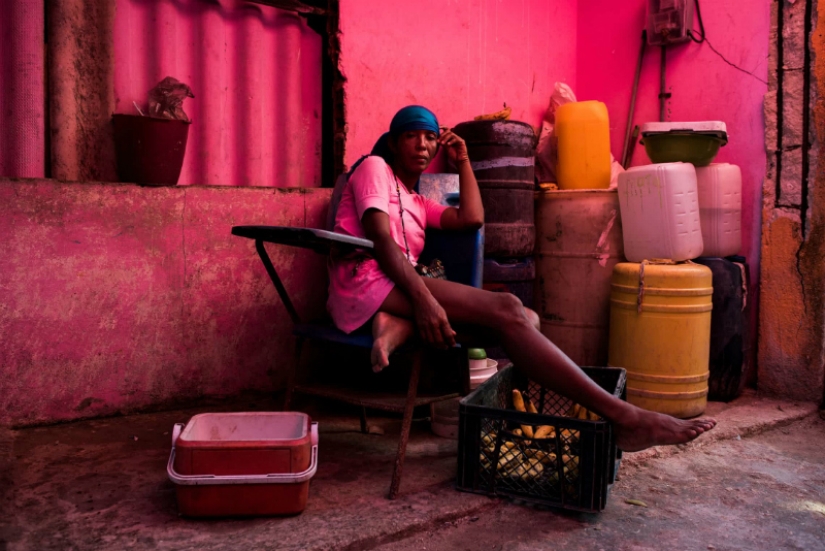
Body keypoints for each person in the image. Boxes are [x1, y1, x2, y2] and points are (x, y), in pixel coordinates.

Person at [327, 105, 716, 452]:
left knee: (525, 320)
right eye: (411, 136)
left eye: (430, 137)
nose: (423, 145)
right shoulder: (374, 168)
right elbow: (379, 239)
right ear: (394, 143)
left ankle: (401, 326)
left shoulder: (416, 199)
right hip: (364, 280)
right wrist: (426, 302)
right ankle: (625, 417)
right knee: (509, 309)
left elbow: (472, 218)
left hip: (399, 285)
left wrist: (464, 159)